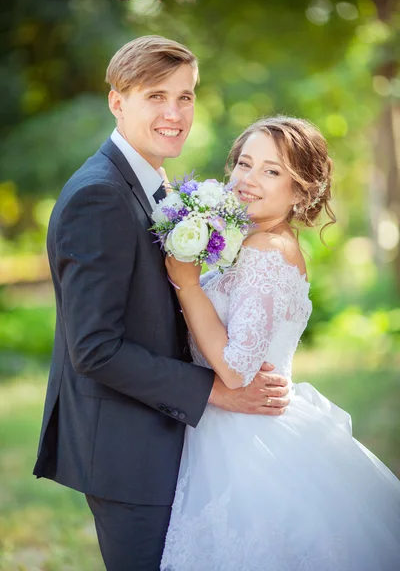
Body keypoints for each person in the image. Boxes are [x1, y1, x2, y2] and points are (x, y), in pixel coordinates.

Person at [32, 36, 290, 571]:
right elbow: (95, 349)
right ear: (117, 101)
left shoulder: (151, 184)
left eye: (186, 96)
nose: (175, 114)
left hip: (163, 438)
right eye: (156, 96)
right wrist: (217, 392)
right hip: (127, 452)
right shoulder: (99, 195)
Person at [162, 116, 400, 570]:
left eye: (272, 171)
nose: (248, 180)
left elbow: (236, 370)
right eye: (244, 164)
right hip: (223, 427)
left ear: (300, 191)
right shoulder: (253, 241)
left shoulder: (267, 251)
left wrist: (188, 285)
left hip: (249, 441)